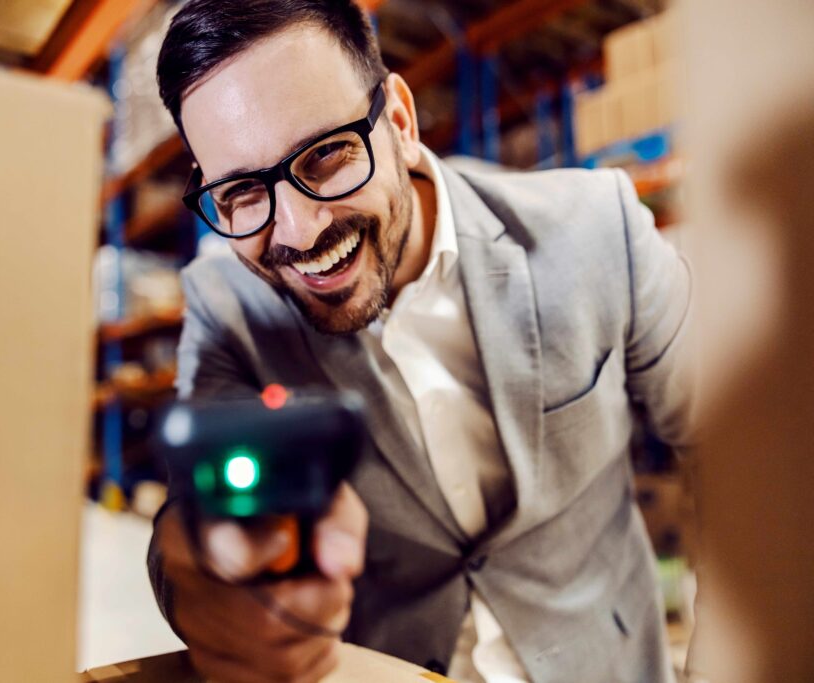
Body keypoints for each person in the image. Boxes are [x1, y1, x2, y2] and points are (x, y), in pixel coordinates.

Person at [147, 1, 693, 681]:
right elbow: (188, 523)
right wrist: (212, 575)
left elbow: (748, 451)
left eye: (325, 155)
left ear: (399, 123)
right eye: (240, 194)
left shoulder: (597, 229)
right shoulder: (229, 305)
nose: (295, 229)